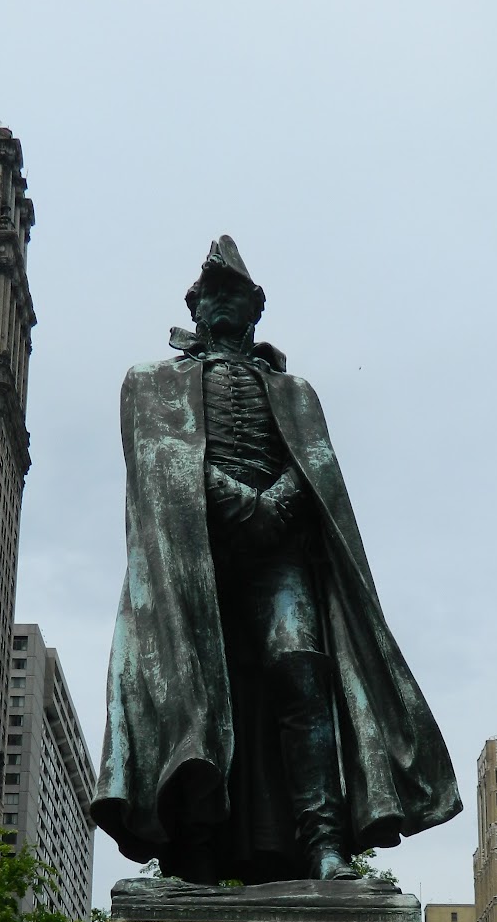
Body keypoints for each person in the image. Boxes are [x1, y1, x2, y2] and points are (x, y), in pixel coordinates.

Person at [91, 237, 460, 884]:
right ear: (195, 306)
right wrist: (237, 501)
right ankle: (196, 849)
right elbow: (160, 466)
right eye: (211, 294)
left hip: (280, 552)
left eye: (234, 294)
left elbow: (317, 467)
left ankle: (323, 842)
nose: (221, 303)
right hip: (194, 558)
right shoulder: (150, 382)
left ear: (255, 308)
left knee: (300, 669)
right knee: (197, 685)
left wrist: (280, 501)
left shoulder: (295, 392)